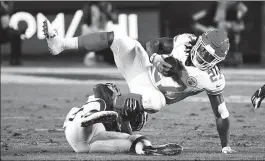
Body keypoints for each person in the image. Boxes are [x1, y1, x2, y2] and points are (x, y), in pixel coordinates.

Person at [43, 19, 236, 154]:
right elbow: (153, 43)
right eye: (202, 48)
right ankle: (62, 44)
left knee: (157, 102)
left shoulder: (212, 78)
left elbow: (221, 114)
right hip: (143, 69)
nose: (202, 54)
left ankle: (109, 102)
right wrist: (155, 57)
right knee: (119, 37)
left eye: (209, 55)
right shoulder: (186, 41)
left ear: (217, 60)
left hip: (152, 93)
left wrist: (225, 145)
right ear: (199, 41)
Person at [64, 83, 182, 155]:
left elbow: (121, 134)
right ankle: (90, 115)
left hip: (88, 140)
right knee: (101, 105)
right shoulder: (101, 102)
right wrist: (113, 99)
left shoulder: (112, 114)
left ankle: (147, 149)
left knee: (133, 140)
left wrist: (125, 119)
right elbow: (99, 88)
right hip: (81, 126)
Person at [0, 1, 25, 66]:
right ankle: (15, 59)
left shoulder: (4, 8)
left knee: (16, 35)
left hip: (3, 31)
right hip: (2, 32)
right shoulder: (2, 8)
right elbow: (5, 25)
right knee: (15, 34)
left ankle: (15, 59)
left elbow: (5, 25)